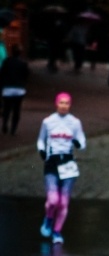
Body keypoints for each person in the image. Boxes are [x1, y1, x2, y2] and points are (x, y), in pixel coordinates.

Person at [36, 92, 86, 245]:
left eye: (67, 103)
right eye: (61, 103)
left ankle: (57, 231)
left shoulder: (75, 122)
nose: (64, 106)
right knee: (53, 200)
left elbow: (82, 142)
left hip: (68, 163)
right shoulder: (48, 122)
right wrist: (42, 151)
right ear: (56, 104)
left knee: (63, 202)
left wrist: (78, 143)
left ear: (70, 105)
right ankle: (48, 218)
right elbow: (41, 140)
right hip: (52, 162)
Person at [0, 44, 30, 135]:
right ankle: (13, 129)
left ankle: (4, 124)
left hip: (7, 88)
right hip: (19, 89)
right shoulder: (23, 63)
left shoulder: (6, 62)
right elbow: (26, 76)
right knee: (17, 110)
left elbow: (2, 74)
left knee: (7, 108)